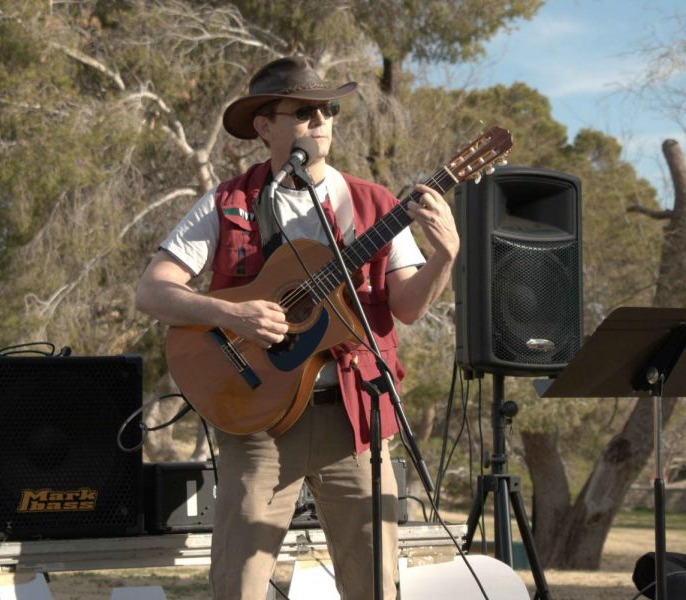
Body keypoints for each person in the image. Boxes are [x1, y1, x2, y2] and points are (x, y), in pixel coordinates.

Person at [135, 56, 459, 600]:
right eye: (304, 110)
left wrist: (444, 258)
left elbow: (406, 306)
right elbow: (152, 290)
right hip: (255, 416)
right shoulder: (225, 202)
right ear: (266, 126)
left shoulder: (374, 205)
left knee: (374, 584)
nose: (321, 120)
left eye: (327, 109)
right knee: (238, 585)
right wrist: (231, 313)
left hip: (353, 418)